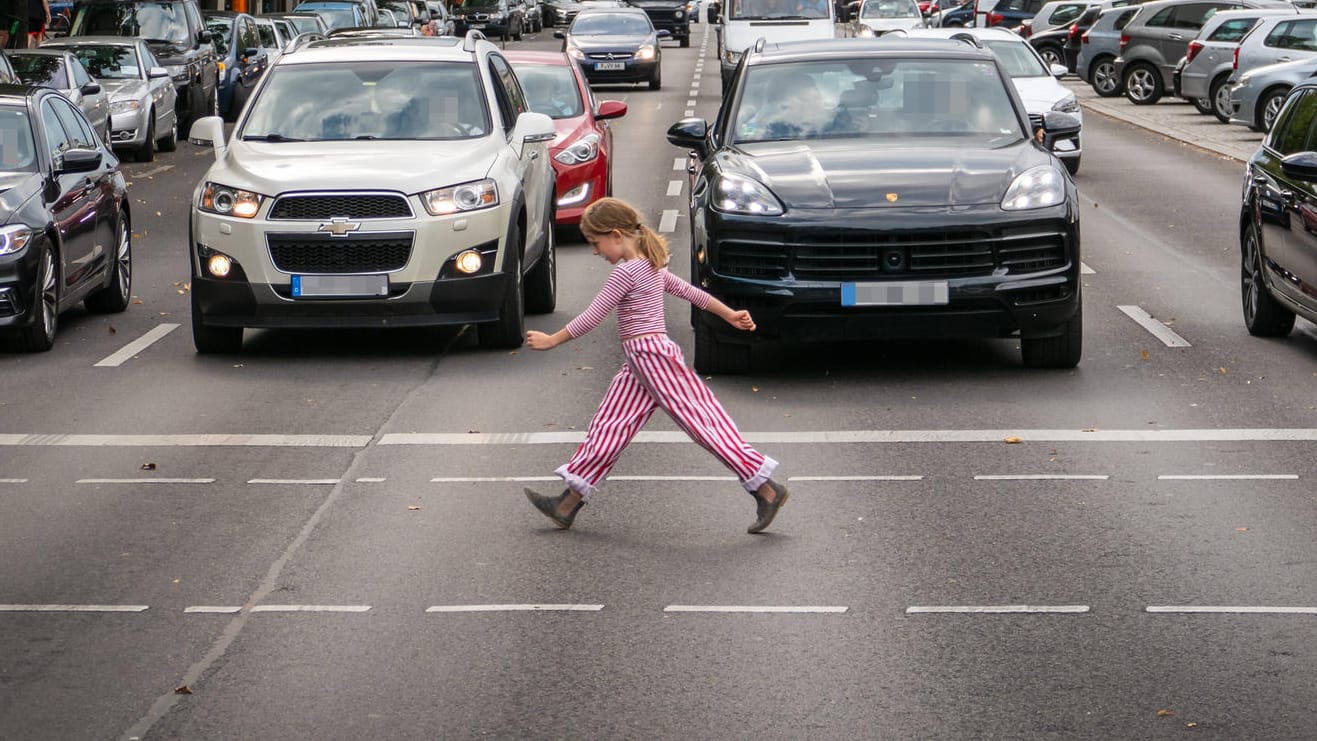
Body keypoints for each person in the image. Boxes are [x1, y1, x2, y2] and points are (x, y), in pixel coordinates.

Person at [522, 198, 790, 534]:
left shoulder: (627, 271)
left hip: (652, 356)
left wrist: (552, 340)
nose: (595, 252)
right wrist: (730, 314)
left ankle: (765, 488)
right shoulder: (650, 266)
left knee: (703, 422)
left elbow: (594, 315)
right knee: (611, 424)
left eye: (596, 243)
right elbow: (694, 293)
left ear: (616, 235)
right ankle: (568, 502)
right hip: (639, 361)